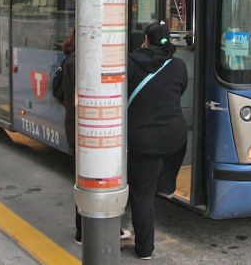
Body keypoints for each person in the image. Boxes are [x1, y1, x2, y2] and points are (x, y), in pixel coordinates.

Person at [62, 29, 131, 245]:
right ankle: (85, 231)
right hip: (86, 130)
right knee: (92, 179)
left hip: (79, 128)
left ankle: (88, 230)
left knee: (91, 179)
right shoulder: (82, 62)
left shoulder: (71, 59)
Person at [127, 21, 188, 260]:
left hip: (142, 139)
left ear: (145, 39)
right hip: (174, 134)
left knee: (142, 194)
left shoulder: (130, 63)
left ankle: (144, 250)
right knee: (176, 150)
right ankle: (166, 185)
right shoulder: (179, 65)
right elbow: (179, 89)